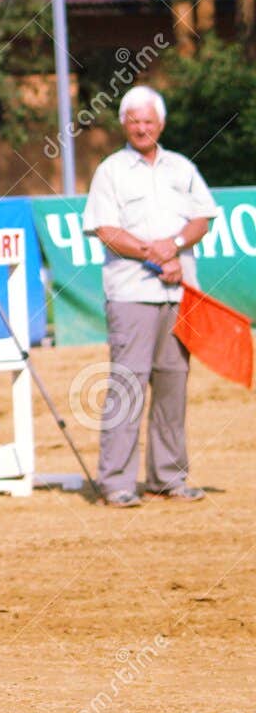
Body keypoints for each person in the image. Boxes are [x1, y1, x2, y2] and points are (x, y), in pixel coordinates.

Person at [82, 84, 218, 506]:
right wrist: (156, 253)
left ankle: (169, 477)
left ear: (161, 124)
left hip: (179, 295)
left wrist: (174, 246)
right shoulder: (111, 171)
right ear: (124, 124)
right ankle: (117, 482)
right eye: (135, 121)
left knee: (173, 387)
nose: (142, 128)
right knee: (127, 387)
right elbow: (106, 231)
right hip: (131, 295)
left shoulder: (181, 167)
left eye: (149, 121)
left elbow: (203, 217)